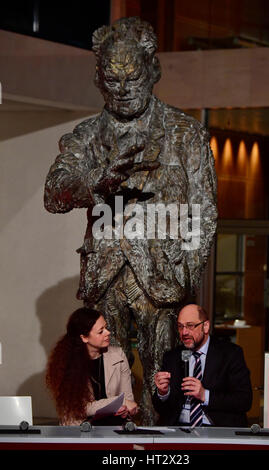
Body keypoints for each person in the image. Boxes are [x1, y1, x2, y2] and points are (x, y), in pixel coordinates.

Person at [44, 17, 217, 424]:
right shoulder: (86, 136)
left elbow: (204, 212)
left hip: (165, 278)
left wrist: (187, 270)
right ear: (99, 79)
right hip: (106, 277)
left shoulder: (186, 133)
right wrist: (97, 183)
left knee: (164, 378)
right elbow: (54, 193)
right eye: (112, 78)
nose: (122, 89)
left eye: (133, 77)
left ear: (152, 71)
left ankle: (162, 447)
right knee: (107, 381)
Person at [152, 304, 252, 427]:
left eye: (190, 326)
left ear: (205, 326)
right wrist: (163, 392)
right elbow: (161, 408)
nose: (184, 332)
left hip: (217, 430)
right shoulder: (172, 357)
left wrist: (205, 395)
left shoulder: (230, 354)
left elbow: (244, 400)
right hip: (179, 429)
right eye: (180, 326)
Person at [46, 307, 138, 425]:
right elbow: (81, 408)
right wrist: (117, 402)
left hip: (114, 428)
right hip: (81, 430)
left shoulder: (118, 356)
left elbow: (129, 401)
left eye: (106, 327)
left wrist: (125, 410)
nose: (108, 332)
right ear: (84, 337)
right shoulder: (67, 363)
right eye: (101, 331)